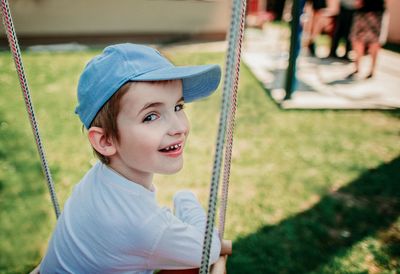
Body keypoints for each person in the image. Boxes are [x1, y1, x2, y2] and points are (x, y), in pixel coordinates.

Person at [39, 43, 222, 273]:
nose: (179, 127)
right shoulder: (146, 227)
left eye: (178, 106)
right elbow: (209, 250)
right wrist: (184, 198)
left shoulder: (100, 179)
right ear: (105, 141)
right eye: (151, 116)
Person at [349, 0, 385, 78]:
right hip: (369, 10)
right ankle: (361, 68)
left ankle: (366, 69)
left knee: (371, 41)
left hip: (373, 11)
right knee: (359, 40)